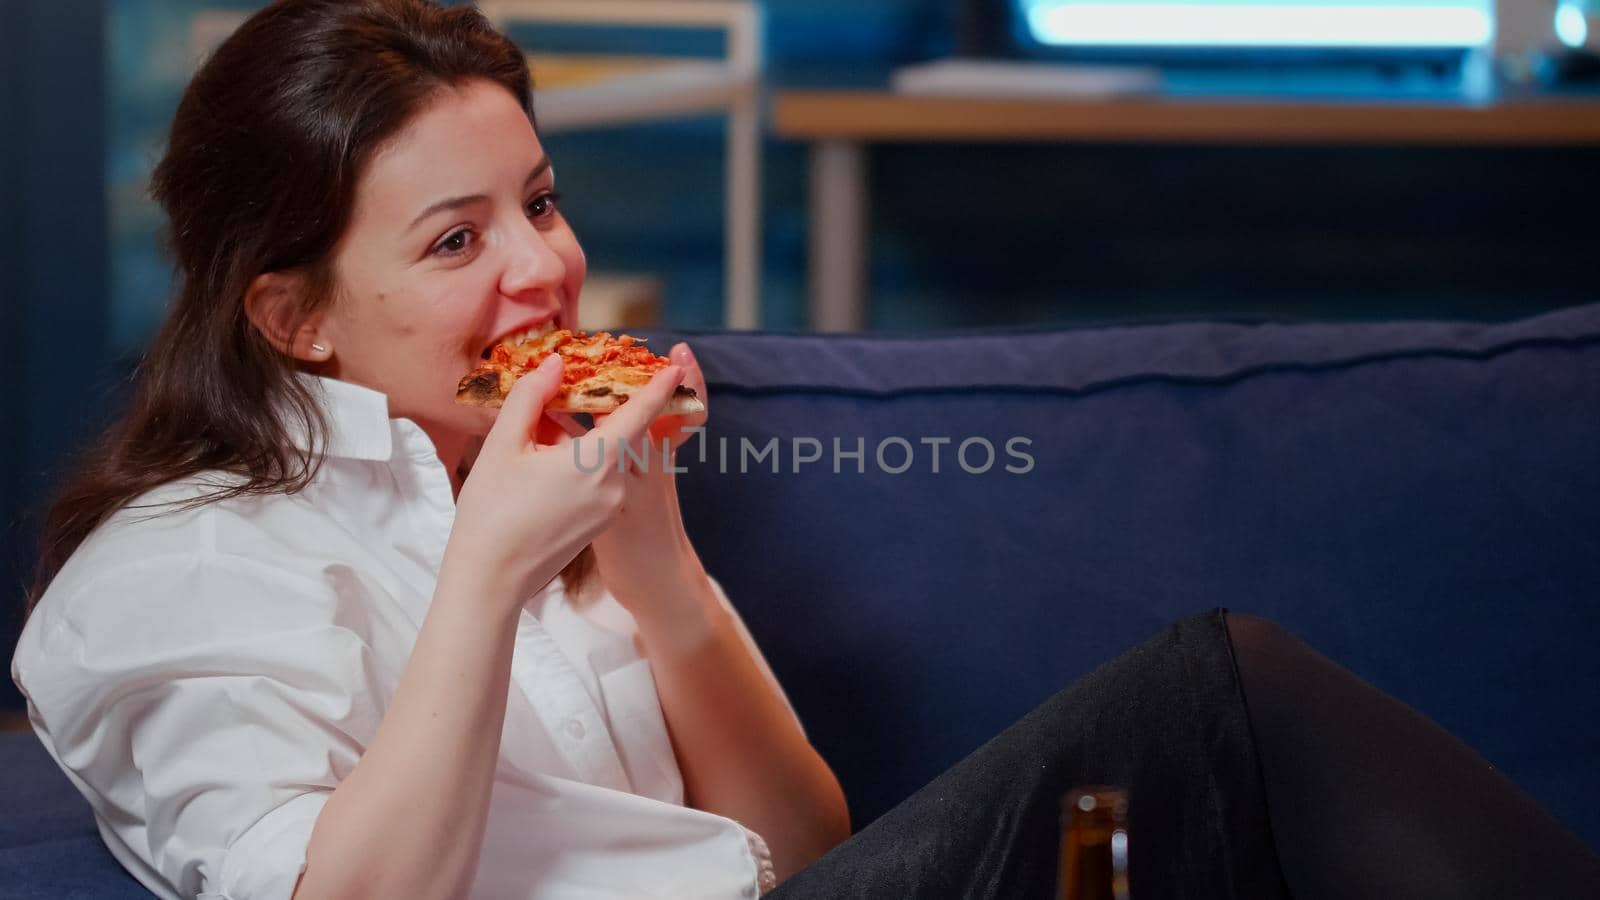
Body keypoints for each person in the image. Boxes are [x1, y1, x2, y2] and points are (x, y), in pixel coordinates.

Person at [10, 2, 1599, 899]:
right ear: (294, 319)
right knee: (1223, 700)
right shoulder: (173, 573)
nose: (541, 273)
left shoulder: (556, 472)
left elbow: (804, 846)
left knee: (1212, 767)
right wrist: (487, 578)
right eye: (453, 241)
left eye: (541, 203)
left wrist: (658, 564)